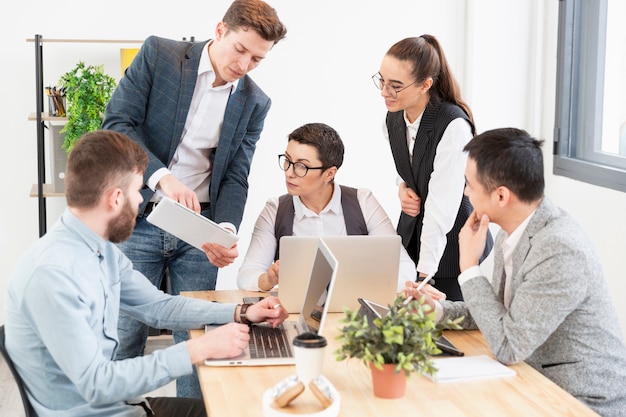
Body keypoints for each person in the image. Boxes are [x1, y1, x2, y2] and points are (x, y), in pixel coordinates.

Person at [3, 130, 289, 417]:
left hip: (123, 407)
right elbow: (98, 384)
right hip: (99, 412)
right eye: (138, 191)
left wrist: (240, 312)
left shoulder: (100, 250)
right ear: (115, 199)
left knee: (229, 408)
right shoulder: (52, 275)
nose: (141, 201)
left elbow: (159, 307)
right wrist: (197, 350)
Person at [101, 0, 287, 398]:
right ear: (220, 30)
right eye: (240, 50)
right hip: (141, 216)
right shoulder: (160, 55)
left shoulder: (256, 102)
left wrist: (225, 230)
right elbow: (118, 123)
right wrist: (163, 178)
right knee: (127, 328)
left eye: (257, 58)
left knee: (200, 339)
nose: (244, 65)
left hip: (197, 230)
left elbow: (236, 173)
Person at [405, 128, 626, 417]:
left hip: (582, 402)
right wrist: (436, 311)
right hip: (531, 379)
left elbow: (508, 346)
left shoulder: (559, 247)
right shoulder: (510, 232)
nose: (465, 192)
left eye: (469, 184)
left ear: (501, 196)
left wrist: (469, 268)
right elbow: (498, 314)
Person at [374, 34, 492, 301]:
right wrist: (402, 187)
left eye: (395, 86)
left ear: (425, 84)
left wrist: (423, 276)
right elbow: (410, 167)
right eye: (381, 80)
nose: (384, 92)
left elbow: (441, 208)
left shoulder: (453, 126)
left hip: (449, 249)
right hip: (412, 238)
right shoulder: (393, 117)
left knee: (447, 335)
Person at [237, 122, 419, 293]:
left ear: (329, 174)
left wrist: (372, 289)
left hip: (353, 313)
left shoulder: (363, 202)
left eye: (302, 166)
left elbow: (402, 265)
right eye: (287, 160)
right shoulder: (274, 210)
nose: (289, 173)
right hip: (294, 315)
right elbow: (246, 274)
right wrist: (267, 280)